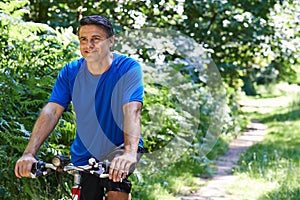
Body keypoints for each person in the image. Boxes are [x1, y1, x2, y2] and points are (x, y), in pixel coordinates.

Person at [14, 15, 144, 200]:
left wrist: (129, 153)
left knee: (117, 190)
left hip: (121, 147)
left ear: (111, 41)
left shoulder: (127, 68)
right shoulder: (70, 71)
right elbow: (52, 111)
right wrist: (28, 154)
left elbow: (132, 110)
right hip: (85, 153)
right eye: (83, 39)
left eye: (95, 39)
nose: (88, 45)